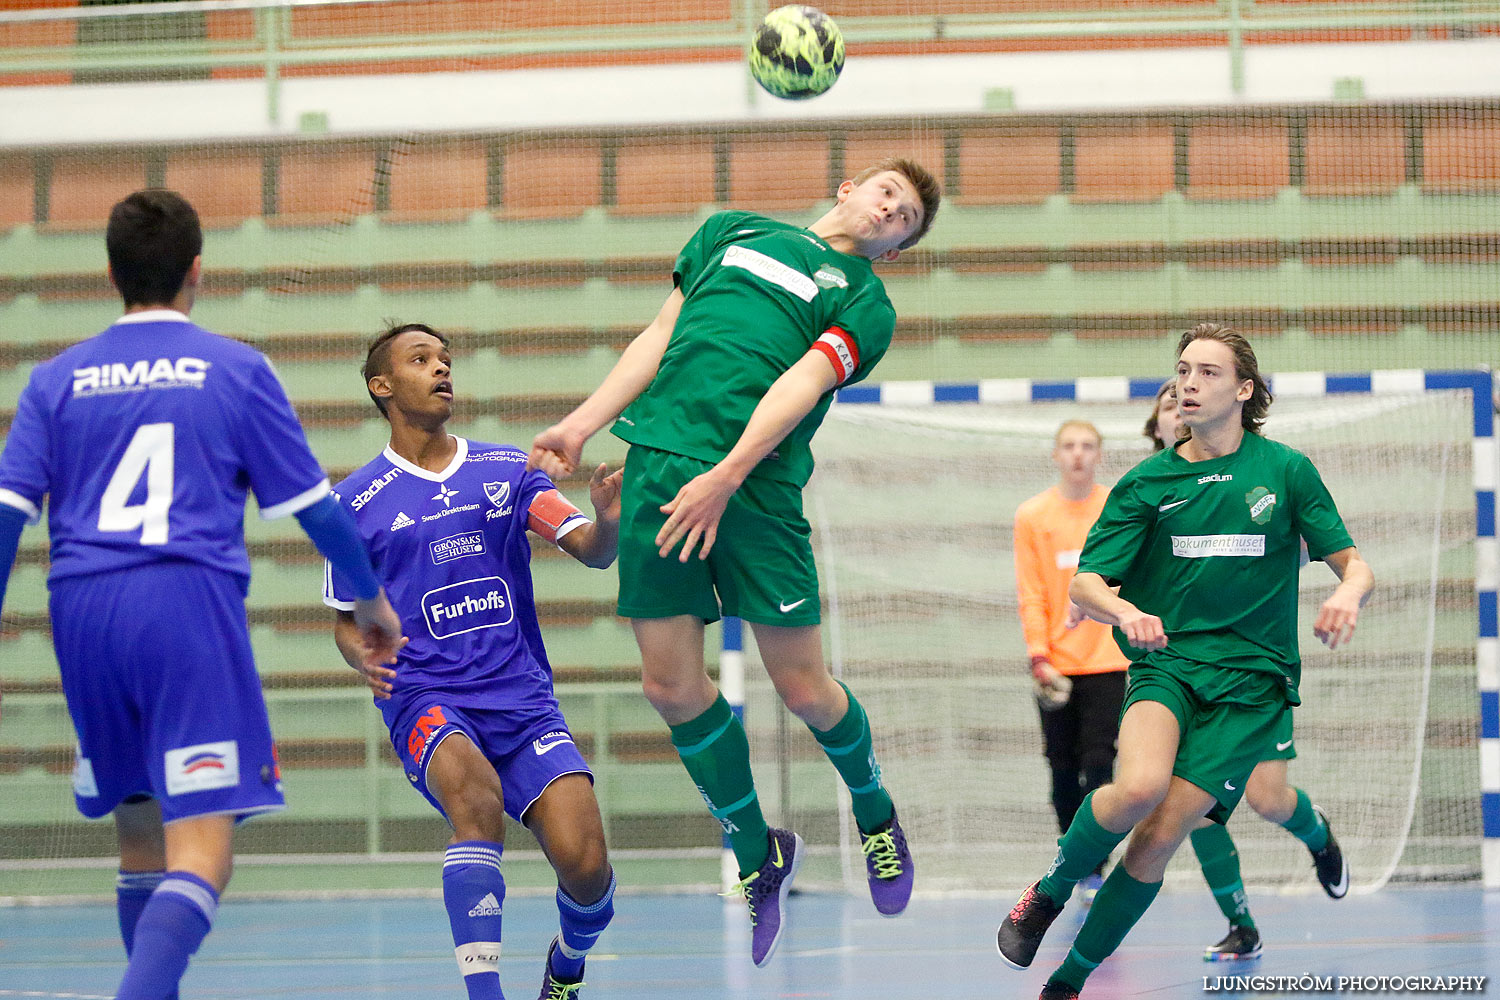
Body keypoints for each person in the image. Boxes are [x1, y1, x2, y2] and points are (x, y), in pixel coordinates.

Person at [528, 157, 942, 966]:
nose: (890, 210)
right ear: (848, 186)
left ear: (895, 250)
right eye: (886, 192)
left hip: (753, 486)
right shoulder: (730, 230)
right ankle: (760, 851)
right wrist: (580, 425)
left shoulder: (863, 298)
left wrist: (728, 474)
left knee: (802, 688)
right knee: (669, 685)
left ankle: (872, 807)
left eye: (905, 221)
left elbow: (799, 382)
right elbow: (660, 336)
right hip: (660, 463)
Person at [0, 189, 403, 1000]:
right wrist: (368, 602)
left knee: (141, 835)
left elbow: (8, 516)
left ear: (111, 273)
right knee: (203, 855)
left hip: (80, 612)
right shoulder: (234, 368)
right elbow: (315, 509)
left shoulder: (54, 380)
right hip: (183, 604)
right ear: (197, 273)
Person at [996, 323, 1374, 1000]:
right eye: (1182, 371)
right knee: (1137, 789)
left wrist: (1347, 591)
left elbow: (1353, 563)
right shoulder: (1148, 483)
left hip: (1253, 687)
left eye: (1206, 372)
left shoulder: (1285, 470)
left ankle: (1070, 980)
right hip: (1168, 665)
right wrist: (1123, 611)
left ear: (1244, 389)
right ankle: (1050, 890)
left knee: (1166, 834)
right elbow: (1086, 582)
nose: (1188, 384)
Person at [322, 322, 622, 1000]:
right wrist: (362, 655)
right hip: (424, 695)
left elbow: (592, 550)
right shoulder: (353, 505)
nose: (441, 369)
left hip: (520, 700)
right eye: (420, 359)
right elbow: (345, 622)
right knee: (478, 804)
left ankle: (567, 964)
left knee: (589, 871)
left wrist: (608, 519)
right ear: (382, 385)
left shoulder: (506, 470)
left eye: (445, 359)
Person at [1145, 378, 1351, 963]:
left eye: (1191, 393)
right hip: (1179, 676)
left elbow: (1305, 544)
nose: (1182, 405)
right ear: (1158, 426)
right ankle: (1241, 924)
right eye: (1168, 403)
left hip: (1252, 673)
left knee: (1266, 796)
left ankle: (1318, 836)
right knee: (1194, 809)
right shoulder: (1143, 493)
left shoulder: (1259, 476)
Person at [1013, 421, 1129, 903]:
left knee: (1100, 763)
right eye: (1069, 446)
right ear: (1056, 454)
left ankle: (1095, 864)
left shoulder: (1116, 507)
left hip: (1108, 660)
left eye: (1087, 446)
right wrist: (1039, 656)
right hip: (1056, 665)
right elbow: (1032, 592)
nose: (1078, 454)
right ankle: (1073, 857)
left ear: (1099, 454)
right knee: (1060, 768)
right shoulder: (1033, 516)